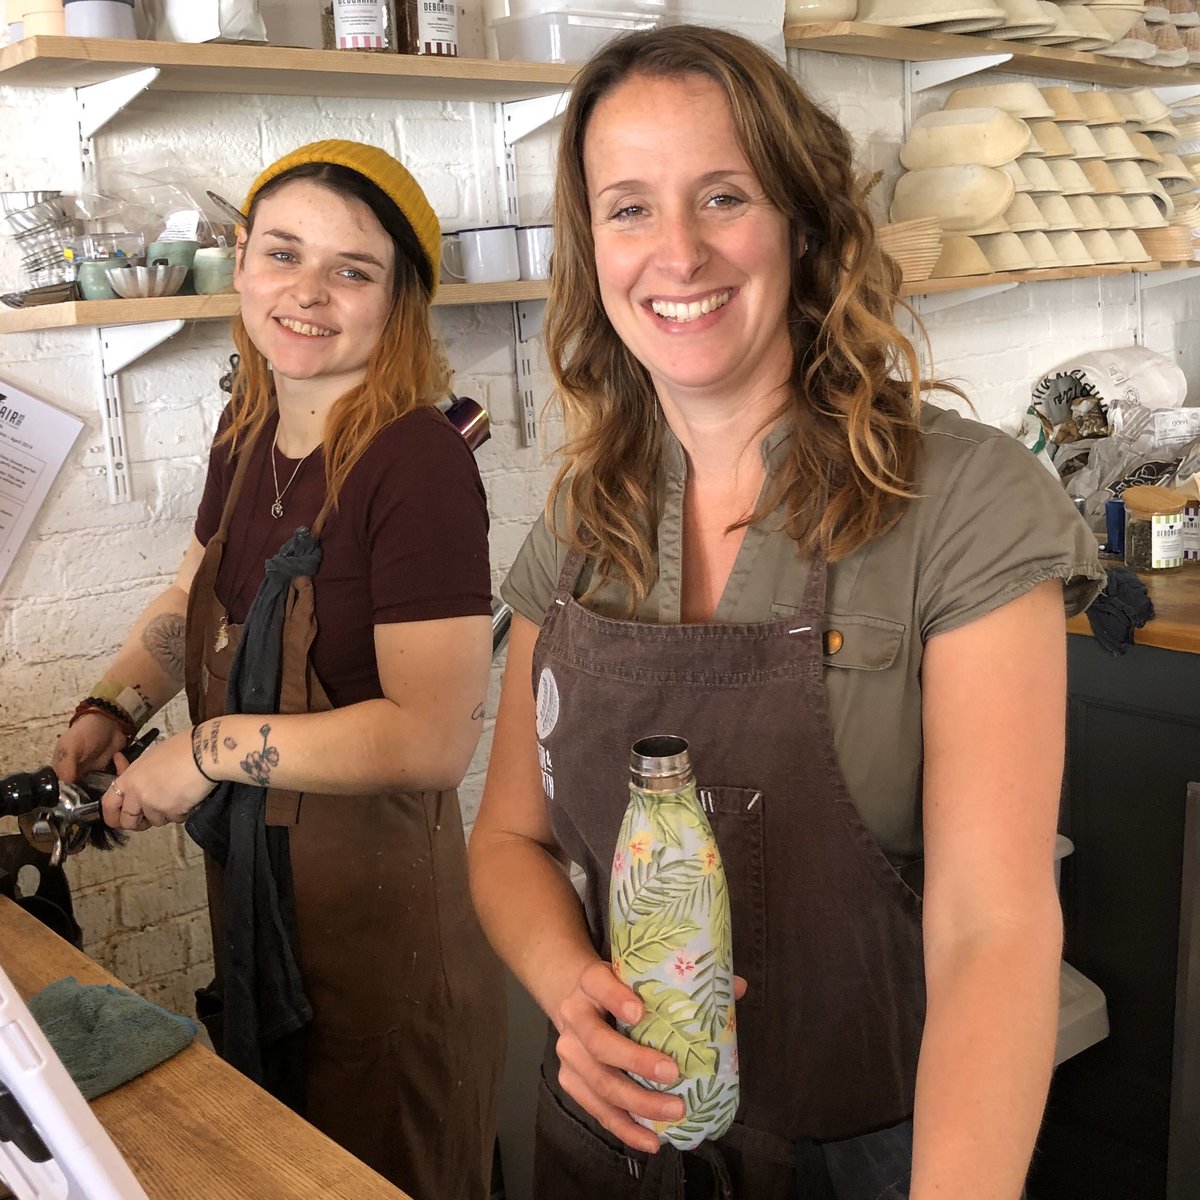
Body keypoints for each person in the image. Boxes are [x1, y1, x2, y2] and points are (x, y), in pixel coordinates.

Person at [468, 25, 1104, 1200]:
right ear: (589, 247)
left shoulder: (961, 500)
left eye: (724, 196)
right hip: (616, 1152)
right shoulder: (583, 515)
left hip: (884, 1155)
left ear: (804, 224)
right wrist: (572, 989)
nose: (678, 252)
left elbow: (993, 929)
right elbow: (507, 841)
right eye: (628, 209)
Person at [54, 139, 505, 1200]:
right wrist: (114, 704)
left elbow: (432, 738)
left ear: (400, 302)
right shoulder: (247, 427)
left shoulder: (418, 462)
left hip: (383, 934)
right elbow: (190, 598)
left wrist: (206, 754)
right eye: (282, 253)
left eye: (352, 270)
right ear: (241, 263)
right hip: (261, 902)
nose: (307, 293)